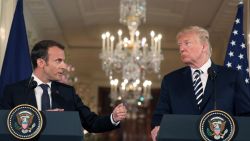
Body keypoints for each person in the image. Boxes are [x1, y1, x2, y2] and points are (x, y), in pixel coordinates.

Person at [0, 40, 127, 133]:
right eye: (58, 61)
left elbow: (91, 122)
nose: (64, 66)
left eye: (64, 61)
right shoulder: (14, 91)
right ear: (41, 62)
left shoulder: (68, 92)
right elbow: (5, 125)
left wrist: (113, 118)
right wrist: (42, 117)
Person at [151, 26, 250, 141]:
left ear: (204, 46)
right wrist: (157, 128)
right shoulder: (171, 80)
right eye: (179, 45)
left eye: (187, 43)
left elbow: (246, 115)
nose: (181, 49)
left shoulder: (232, 77)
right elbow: (159, 116)